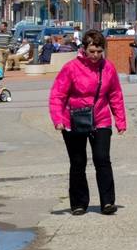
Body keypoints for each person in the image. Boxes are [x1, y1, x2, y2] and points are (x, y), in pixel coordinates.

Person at [48, 30, 126, 216]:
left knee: (102, 159)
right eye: (92, 51)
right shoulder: (71, 68)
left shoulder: (108, 68)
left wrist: (120, 120)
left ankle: (107, 202)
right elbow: (57, 95)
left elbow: (115, 94)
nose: (96, 55)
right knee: (78, 162)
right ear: (84, 49)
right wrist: (57, 119)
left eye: (99, 51)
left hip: (100, 119)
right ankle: (79, 203)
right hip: (74, 119)